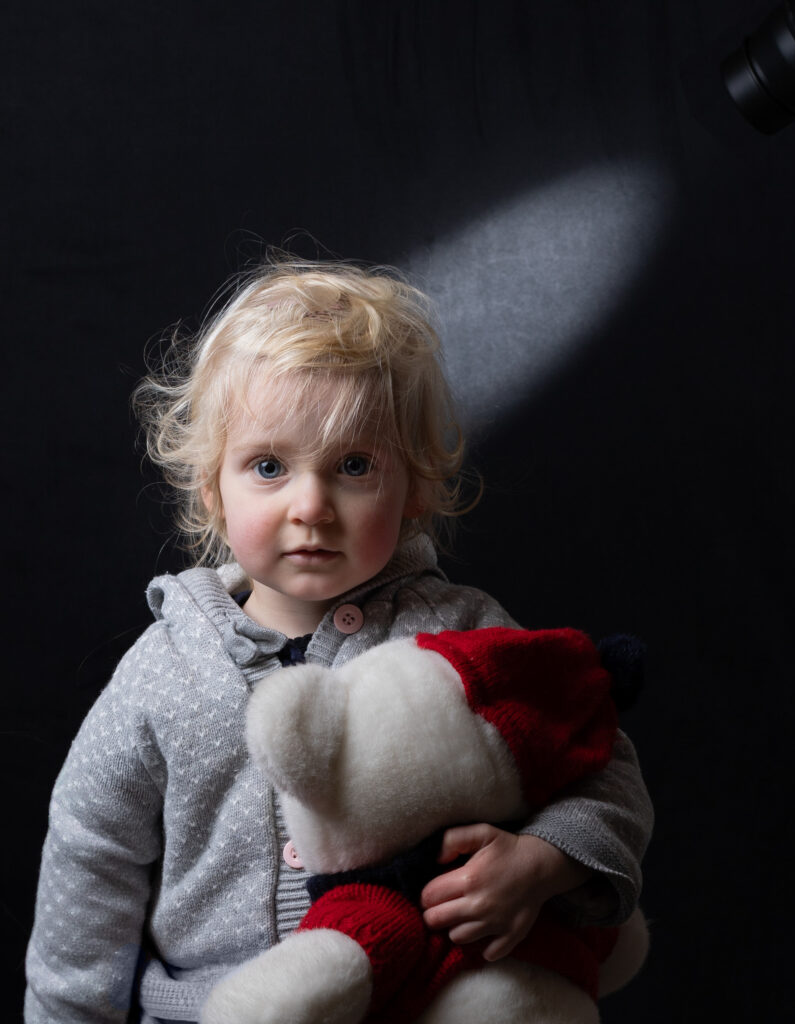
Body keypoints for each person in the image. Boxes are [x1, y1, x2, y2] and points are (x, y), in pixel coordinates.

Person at [24, 257, 653, 1024]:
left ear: (413, 483)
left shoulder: (461, 632)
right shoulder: (163, 671)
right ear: (211, 488)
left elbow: (604, 768)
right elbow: (89, 859)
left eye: (354, 466)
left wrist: (543, 861)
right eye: (268, 466)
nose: (312, 506)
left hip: (417, 998)